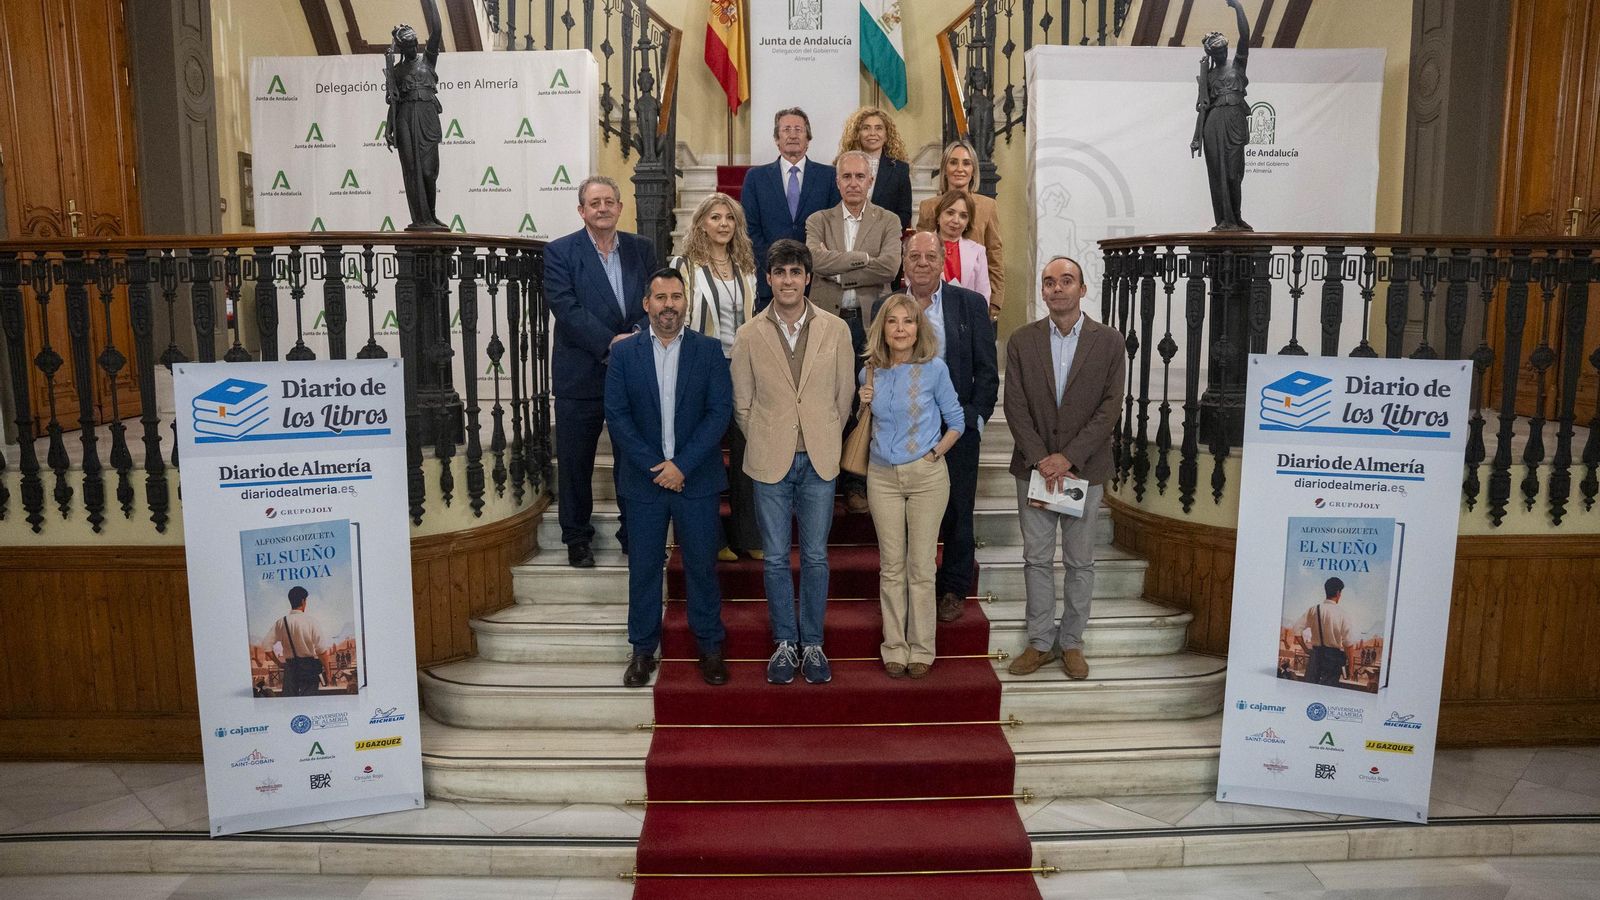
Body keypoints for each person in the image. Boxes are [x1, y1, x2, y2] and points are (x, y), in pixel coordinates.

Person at [730, 239, 855, 685]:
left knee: (817, 557)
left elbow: (844, 397)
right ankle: (786, 642)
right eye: (779, 273)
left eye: (795, 272)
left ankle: (814, 643)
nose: (787, 280)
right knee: (777, 558)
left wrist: (822, 433)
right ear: (768, 279)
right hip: (770, 461)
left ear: (808, 278)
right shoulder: (748, 334)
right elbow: (742, 405)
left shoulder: (836, 330)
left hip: (820, 458)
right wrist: (770, 438)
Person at [604, 268, 732, 688]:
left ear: (686, 302)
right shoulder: (624, 354)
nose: (669, 306)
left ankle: (710, 647)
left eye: (676, 297)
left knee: (700, 567)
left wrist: (682, 466)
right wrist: (656, 467)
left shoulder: (709, 351)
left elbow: (719, 414)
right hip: (644, 483)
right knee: (642, 568)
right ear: (647, 304)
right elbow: (618, 417)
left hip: (696, 479)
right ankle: (642, 650)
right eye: (660, 298)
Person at [1004, 256, 1125, 680]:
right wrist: (1043, 458)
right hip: (1034, 469)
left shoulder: (1108, 341)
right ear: (1043, 291)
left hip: (1084, 471)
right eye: (1049, 282)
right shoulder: (1022, 341)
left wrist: (1068, 457)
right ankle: (1039, 642)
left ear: (1082, 288)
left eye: (1066, 280)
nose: (1057, 288)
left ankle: (1071, 642)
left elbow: (1110, 407)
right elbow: (1014, 406)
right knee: (1036, 559)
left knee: (1079, 562)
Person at [880, 232, 998, 624]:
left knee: (959, 512)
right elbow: (875, 361)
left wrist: (974, 419)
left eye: (931, 256)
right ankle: (915, 587)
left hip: (955, 428)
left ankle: (953, 587)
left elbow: (987, 370)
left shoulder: (970, 304)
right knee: (909, 519)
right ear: (904, 260)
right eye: (914, 256)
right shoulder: (888, 306)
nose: (923, 263)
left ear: (943, 259)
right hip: (904, 433)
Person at [545, 176, 658, 568]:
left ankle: (634, 534)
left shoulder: (642, 249)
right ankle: (576, 538)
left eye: (610, 201)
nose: (603, 208)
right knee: (576, 463)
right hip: (581, 374)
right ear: (582, 211)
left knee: (633, 458)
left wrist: (639, 334)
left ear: (620, 207)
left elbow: (655, 298)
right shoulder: (560, 252)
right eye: (595, 203)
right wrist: (611, 342)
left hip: (633, 374)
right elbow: (566, 307)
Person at [857, 294, 965, 678]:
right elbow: (865, 424)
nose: (900, 328)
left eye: (908, 321)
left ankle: (921, 648)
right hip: (882, 476)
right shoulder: (869, 371)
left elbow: (957, 420)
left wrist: (935, 454)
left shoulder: (934, 368)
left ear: (918, 328)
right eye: (893, 321)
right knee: (891, 567)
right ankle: (894, 646)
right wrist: (863, 401)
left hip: (926, 477)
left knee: (921, 567)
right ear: (882, 329)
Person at [806, 150, 902, 514]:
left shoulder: (889, 220)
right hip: (827, 321)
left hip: (870, 322)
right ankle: (825, 475)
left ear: (870, 181)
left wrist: (841, 268)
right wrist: (865, 259)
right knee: (828, 397)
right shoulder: (819, 219)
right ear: (837, 181)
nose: (853, 183)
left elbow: (890, 267)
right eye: (846, 177)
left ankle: (857, 480)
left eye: (860, 176)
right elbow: (814, 260)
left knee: (867, 401)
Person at [668, 193, 762, 561]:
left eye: (730, 218)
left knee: (746, 451)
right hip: (700, 366)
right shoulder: (684, 265)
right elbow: (676, 317)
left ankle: (748, 534)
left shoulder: (746, 267)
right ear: (701, 223)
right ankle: (712, 538)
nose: (723, 224)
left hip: (741, 366)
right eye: (715, 217)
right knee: (703, 453)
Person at [741, 108, 841, 308]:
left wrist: (809, 265)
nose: (793, 134)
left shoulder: (829, 176)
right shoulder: (755, 178)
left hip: (816, 280)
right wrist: (776, 265)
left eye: (799, 129)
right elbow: (749, 228)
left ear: (808, 138)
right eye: (786, 129)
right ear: (777, 139)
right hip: (769, 279)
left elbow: (834, 226)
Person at [916, 140, 1004, 317]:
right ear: (945, 169)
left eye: (966, 163)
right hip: (935, 300)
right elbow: (919, 253)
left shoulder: (988, 207)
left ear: (973, 171)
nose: (960, 169)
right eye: (953, 162)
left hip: (976, 296)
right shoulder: (928, 207)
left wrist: (995, 301)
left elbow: (995, 255)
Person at [383, 0, 447, 231]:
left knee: (429, 171)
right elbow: (394, 101)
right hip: (405, 118)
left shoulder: (428, 59)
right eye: (407, 47)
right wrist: (388, 128)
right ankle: (421, 219)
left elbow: (437, 30)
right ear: (401, 48)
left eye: (414, 44)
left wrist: (431, 3)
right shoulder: (397, 71)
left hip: (427, 115)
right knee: (412, 171)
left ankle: (432, 216)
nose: (412, 49)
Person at [1190, 0, 1253, 231]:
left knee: (1235, 174)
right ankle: (1224, 221)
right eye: (1217, 51)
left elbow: (1245, 37)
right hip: (1214, 123)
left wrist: (1238, 8)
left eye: (1224, 50)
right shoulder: (1207, 75)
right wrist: (1197, 137)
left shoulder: (1237, 65)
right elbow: (1203, 107)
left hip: (1234, 120)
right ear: (1210, 52)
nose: (1222, 54)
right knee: (1218, 175)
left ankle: (1236, 217)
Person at [838, 106, 913, 229]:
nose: (872, 133)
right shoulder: (841, 165)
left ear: (887, 134)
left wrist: (882, 232)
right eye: (866, 128)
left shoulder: (900, 170)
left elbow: (904, 213)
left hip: (885, 239)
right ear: (857, 134)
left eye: (878, 128)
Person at [1287, 577, 1353, 686]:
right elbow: (1348, 645)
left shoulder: (1314, 609)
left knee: (1310, 691)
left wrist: (1306, 649)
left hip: (1315, 657)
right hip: (1332, 660)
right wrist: (1350, 669)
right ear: (1338, 593)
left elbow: (1296, 629)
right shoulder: (1342, 614)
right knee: (1327, 694)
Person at [931, 190, 991, 303]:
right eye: (950, 213)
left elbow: (983, 296)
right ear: (938, 216)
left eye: (963, 216)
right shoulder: (921, 246)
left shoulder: (978, 251)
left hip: (967, 316)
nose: (956, 220)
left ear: (968, 222)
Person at [269, 586, 326, 697]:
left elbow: (266, 647)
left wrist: (279, 663)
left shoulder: (281, 622)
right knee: (310, 701)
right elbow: (321, 651)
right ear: (303, 601)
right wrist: (328, 673)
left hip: (290, 668)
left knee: (290, 703)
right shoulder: (311, 621)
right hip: (309, 667)